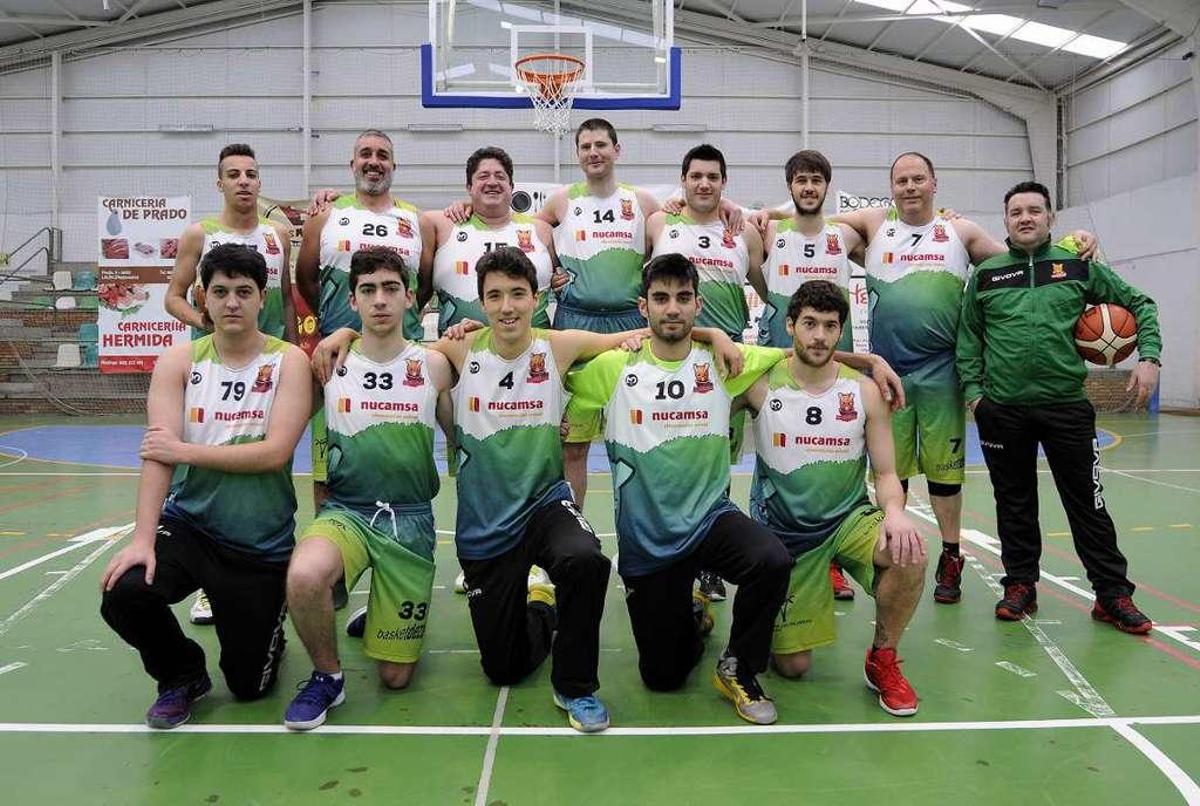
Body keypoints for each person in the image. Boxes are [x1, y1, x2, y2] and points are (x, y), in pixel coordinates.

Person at [314, 247, 741, 732]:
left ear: (535, 298)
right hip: (486, 525)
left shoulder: (557, 345)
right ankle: (543, 607)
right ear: (481, 303)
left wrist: (716, 332)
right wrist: (344, 332)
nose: (507, 306)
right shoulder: (456, 352)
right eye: (494, 296)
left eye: (518, 294)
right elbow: (385, 345)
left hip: (545, 505)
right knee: (505, 668)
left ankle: (576, 686)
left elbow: (651, 332)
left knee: (586, 558)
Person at [566, 253, 794, 726]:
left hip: (711, 519)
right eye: (661, 298)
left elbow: (805, 353)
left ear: (698, 304)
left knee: (770, 559)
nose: (673, 308)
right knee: (663, 678)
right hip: (649, 542)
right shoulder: (613, 368)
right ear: (643, 307)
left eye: (683, 298)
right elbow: (545, 361)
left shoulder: (724, 362)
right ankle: (689, 614)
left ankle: (739, 666)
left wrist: (869, 358)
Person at [99, 243, 311, 729]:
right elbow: (158, 455)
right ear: (203, 297)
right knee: (125, 591)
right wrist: (141, 540)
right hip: (191, 526)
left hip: (260, 544)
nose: (232, 302)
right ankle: (181, 675)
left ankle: (268, 622)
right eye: (220, 292)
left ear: (263, 299)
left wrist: (186, 452)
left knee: (248, 689)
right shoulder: (178, 362)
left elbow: (274, 453)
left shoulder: (288, 363)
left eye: (244, 291)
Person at [957, 180, 1160, 633]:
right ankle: (1020, 586)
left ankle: (1112, 595)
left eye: (1034, 210)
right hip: (1002, 410)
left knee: (1087, 502)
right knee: (1014, 502)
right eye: (1016, 212)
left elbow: (1140, 303)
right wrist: (975, 393)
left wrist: (1149, 358)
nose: (1025, 217)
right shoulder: (988, 275)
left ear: (1051, 218)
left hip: (1066, 406)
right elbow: (968, 337)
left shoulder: (1078, 267)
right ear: (1006, 221)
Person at [282, 249, 454, 730]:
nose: (380, 300)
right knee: (304, 575)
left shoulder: (435, 366)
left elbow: (464, 435)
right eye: (368, 290)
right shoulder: (328, 364)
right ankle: (327, 677)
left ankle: (377, 613)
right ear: (353, 300)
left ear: (411, 300)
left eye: (391, 289)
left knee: (396, 677)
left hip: (411, 520)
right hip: (347, 513)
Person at [740, 280, 926, 716]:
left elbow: (884, 473)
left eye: (829, 326)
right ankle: (782, 609)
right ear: (790, 326)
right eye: (809, 324)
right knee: (793, 667)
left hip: (848, 518)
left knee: (909, 552)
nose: (820, 336)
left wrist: (895, 512)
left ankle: (882, 658)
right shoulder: (759, 383)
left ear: (840, 331)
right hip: (786, 533)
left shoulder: (863, 392)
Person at [163, 143, 296, 626]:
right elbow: (172, 297)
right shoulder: (200, 234)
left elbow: (289, 303)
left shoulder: (279, 236)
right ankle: (206, 583)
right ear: (218, 183)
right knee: (202, 462)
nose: (243, 181)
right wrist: (206, 321)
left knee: (266, 465)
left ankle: (266, 564)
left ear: (260, 183)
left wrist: (297, 350)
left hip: (271, 372)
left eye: (251, 174)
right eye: (233, 174)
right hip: (216, 367)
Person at [295, 129, 431, 519]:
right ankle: (330, 542)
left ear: (393, 165)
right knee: (328, 465)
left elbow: (421, 284)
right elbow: (307, 279)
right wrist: (342, 319)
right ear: (351, 164)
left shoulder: (417, 220)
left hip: (402, 359)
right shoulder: (326, 217)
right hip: (337, 357)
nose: (374, 161)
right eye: (365, 154)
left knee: (400, 456)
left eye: (383, 155)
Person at [758, 149, 870, 603]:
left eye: (816, 181)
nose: (808, 188)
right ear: (790, 186)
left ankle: (834, 557)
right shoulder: (767, 230)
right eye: (801, 180)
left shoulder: (844, 236)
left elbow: (895, 220)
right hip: (779, 360)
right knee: (774, 454)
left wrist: (944, 212)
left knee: (839, 448)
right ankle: (776, 547)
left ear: (828, 186)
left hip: (831, 361)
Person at [420, 146, 555, 333]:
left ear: (511, 187)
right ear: (469, 187)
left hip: (534, 355)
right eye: (483, 177)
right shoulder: (438, 224)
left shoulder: (541, 229)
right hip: (460, 351)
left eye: (500, 177)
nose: (492, 182)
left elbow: (566, 280)